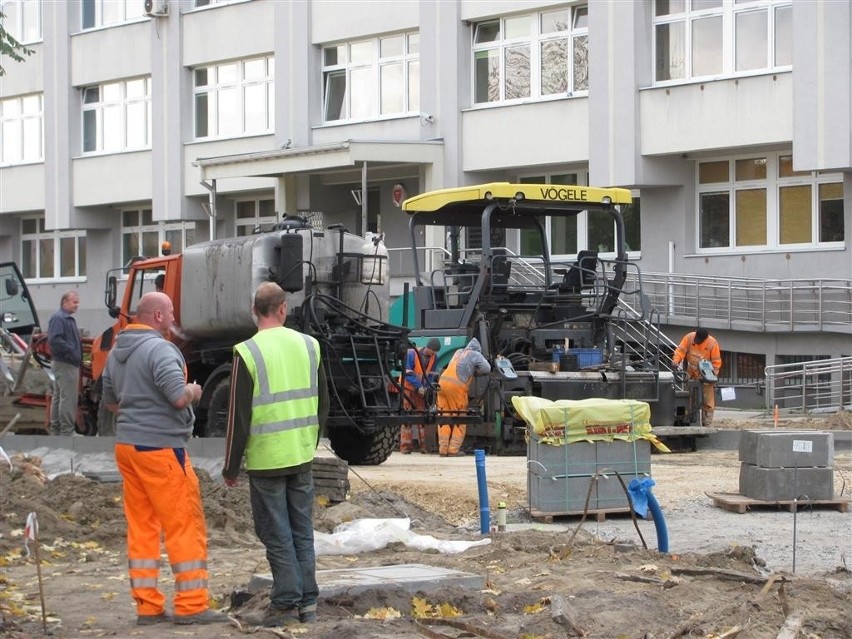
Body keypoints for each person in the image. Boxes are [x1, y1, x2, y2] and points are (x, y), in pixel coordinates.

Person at [101, 292, 227, 626]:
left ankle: (147, 607)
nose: (174, 319)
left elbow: (111, 402)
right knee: (184, 524)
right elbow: (176, 397)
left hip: (128, 448)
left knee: (142, 527)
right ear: (157, 316)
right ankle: (191, 605)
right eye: (170, 313)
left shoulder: (117, 352)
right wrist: (195, 392)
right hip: (161, 449)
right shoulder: (160, 350)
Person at [223, 282, 328, 628]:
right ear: (283, 309)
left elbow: (237, 417)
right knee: (302, 529)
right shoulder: (310, 346)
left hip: (267, 459)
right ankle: (308, 602)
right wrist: (308, 441)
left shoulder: (247, 352)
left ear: (255, 312)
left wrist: (231, 465)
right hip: (300, 453)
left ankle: (285, 603)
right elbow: (323, 404)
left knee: (276, 532)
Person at [436, 337, 491, 457]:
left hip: (442, 383)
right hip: (456, 387)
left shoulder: (458, 352)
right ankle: (453, 450)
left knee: (444, 416)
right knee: (460, 418)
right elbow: (487, 368)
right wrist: (475, 371)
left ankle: (443, 449)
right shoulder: (475, 355)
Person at [47, 290, 82, 436]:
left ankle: (57, 431)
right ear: (65, 302)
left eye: (77, 302)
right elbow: (55, 340)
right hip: (66, 363)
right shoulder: (59, 318)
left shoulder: (64, 318)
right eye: (74, 302)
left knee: (59, 396)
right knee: (68, 397)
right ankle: (67, 432)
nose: (77, 305)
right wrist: (73, 352)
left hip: (64, 362)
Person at [672, 327, 722, 426]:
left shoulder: (712, 343)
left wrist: (712, 376)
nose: (696, 341)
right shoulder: (689, 337)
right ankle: (688, 420)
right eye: (696, 339)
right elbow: (680, 351)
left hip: (707, 374)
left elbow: (716, 362)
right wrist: (676, 360)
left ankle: (707, 423)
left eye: (699, 340)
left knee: (707, 401)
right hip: (691, 373)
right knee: (689, 398)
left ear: (704, 339)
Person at [399, 338, 441, 454]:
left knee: (422, 415)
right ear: (428, 347)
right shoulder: (411, 353)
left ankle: (424, 446)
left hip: (420, 390)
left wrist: (427, 388)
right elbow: (408, 373)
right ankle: (405, 446)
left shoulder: (434, 358)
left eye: (435, 352)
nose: (433, 354)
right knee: (407, 416)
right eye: (432, 351)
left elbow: (430, 375)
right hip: (408, 388)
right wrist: (419, 386)